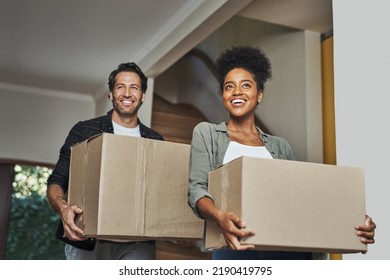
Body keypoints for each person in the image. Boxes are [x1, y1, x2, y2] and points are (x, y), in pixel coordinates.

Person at [188, 45, 376, 260]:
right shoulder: (207, 133)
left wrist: (353, 220)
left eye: (246, 85)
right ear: (223, 95)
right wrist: (219, 217)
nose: (237, 92)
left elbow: (300, 198)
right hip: (236, 248)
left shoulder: (280, 146)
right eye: (229, 87)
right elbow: (197, 189)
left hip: (288, 251)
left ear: (259, 95)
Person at [47, 62, 164, 260]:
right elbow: (56, 182)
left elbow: (162, 193)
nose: (127, 93)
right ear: (110, 93)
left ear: (143, 95)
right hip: (87, 237)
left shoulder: (155, 141)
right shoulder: (84, 131)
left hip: (138, 242)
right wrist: (64, 208)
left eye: (134, 87)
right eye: (120, 87)